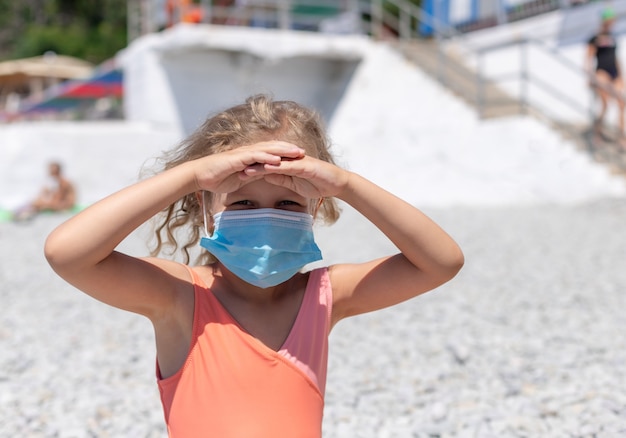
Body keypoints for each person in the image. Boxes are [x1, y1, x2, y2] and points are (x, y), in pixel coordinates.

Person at [44, 94, 464, 437]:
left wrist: (346, 184)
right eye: (243, 202)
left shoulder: (322, 297)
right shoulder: (182, 298)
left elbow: (440, 263)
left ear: (315, 206)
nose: (266, 216)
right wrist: (193, 176)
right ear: (206, 208)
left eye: (287, 203)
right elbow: (68, 253)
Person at [586, 7, 625, 143]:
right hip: (601, 72)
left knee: (621, 104)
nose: (611, 23)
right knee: (605, 105)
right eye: (609, 20)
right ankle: (597, 132)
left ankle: (621, 138)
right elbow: (588, 58)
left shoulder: (612, 38)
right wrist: (590, 77)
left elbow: (615, 58)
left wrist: (621, 76)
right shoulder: (594, 38)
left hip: (614, 73)